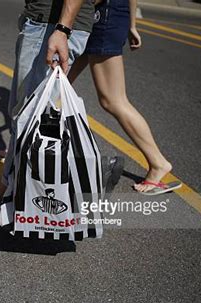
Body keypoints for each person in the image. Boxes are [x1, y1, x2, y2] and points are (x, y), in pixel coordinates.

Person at [0, 0, 124, 225]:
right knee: (33, 118)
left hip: (50, 26)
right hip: (49, 23)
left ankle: (4, 200)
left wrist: (62, 29)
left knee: (28, 120)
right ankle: (84, 174)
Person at [68, 0, 181, 195]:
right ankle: (21, 146)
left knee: (113, 100)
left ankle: (158, 163)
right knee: (58, 82)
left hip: (102, 15)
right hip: (103, 14)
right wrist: (131, 24)